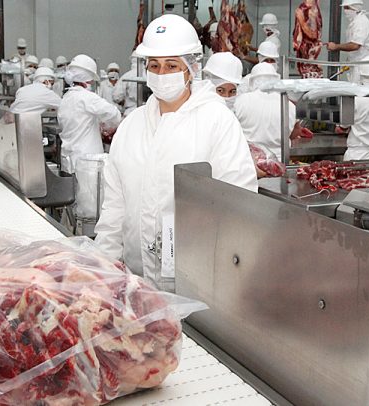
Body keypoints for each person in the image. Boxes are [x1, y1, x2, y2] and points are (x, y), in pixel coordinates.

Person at [94, 14, 258, 287]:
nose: (161, 74)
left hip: (196, 283)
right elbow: (114, 209)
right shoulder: (132, 125)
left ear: (191, 68)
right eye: (154, 65)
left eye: (171, 65)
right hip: (135, 281)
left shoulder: (217, 121)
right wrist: (104, 273)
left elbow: (239, 205)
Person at [57, 54, 121, 174]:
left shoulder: (65, 99)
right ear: (88, 79)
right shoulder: (87, 97)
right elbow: (114, 114)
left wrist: (100, 123)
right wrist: (108, 126)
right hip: (87, 162)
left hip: (69, 159)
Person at [235, 63, 310, 162]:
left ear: (252, 80)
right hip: (280, 161)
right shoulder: (287, 104)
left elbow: (233, 133)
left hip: (250, 160)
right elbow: (294, 133)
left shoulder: (240, 101)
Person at [326, 0, 369, 83]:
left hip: (361, 66)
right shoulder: (356, 21)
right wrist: (349, 60)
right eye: (344, 8)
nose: (345, 11)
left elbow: (355, 45)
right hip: (355, 64)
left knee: (358, 89)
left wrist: (335, 47)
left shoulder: (361, 23)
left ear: (355, 8)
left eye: (347, 8)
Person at [113, 52, 140, 116]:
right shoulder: (149, 76)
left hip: (130, 112)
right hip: (147, 113)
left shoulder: (127, 76)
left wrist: (122, 102)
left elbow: (117, 96)